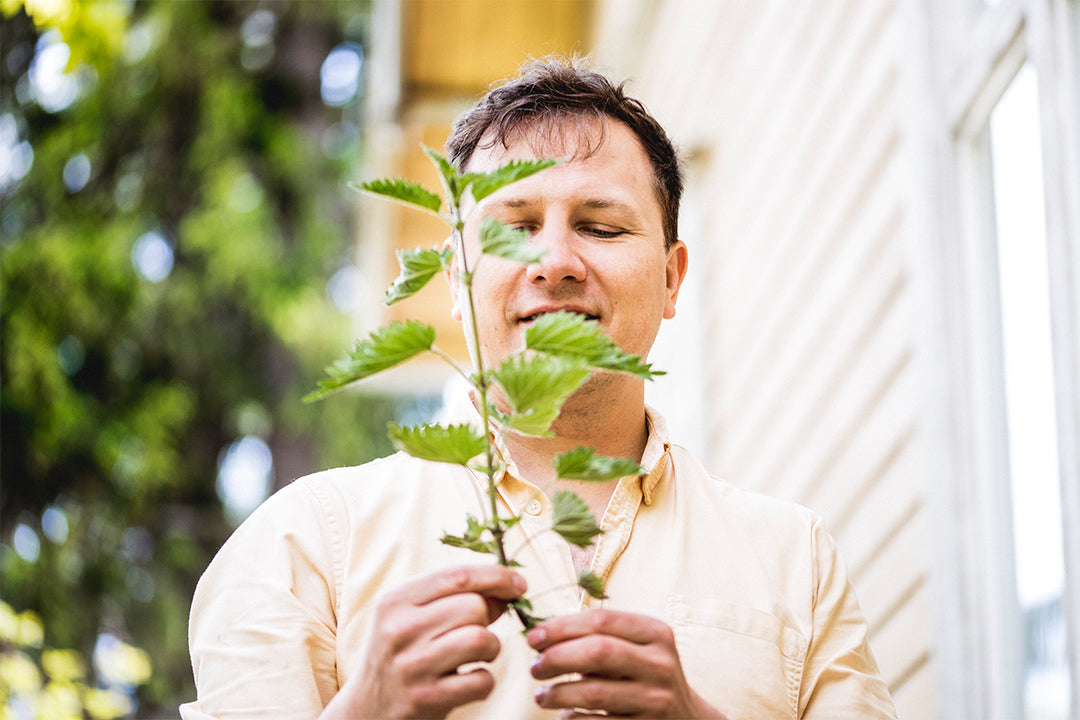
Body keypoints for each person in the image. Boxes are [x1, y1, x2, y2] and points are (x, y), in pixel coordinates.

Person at [181, 57, 898, 720]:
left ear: (673, 277)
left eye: (601, 226)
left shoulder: (792, 558)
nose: (555, 262)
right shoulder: (305, 545)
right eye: (512, 228)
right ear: (456, 278)